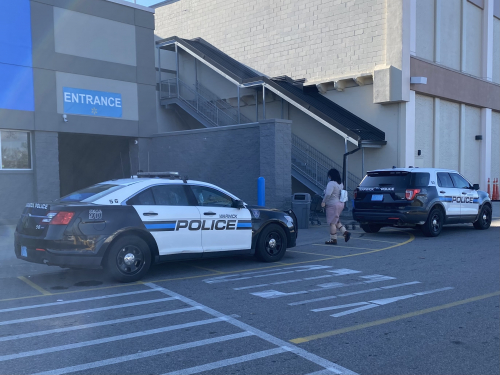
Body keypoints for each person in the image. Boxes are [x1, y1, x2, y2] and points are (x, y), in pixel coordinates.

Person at [321, 168, 351, 245]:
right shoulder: (340, 184)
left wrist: (323, 201)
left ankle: (333, 239)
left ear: (331, 175)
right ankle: (345, 232)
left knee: (332, 222)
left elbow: (328, 194)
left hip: (332, 204)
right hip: (340, 203)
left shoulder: (331, 183)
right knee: (335, 220)